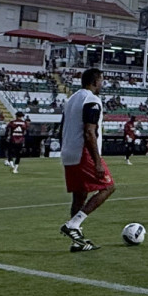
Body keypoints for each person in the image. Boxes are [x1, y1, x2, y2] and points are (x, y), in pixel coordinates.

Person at [59, 69, 115, 251]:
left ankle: (77, 242)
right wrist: (97, 161)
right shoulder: (91, 99)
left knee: (80, 194)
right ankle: (73, 224)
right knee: (108, 187)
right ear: (95, 81)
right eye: (101, 80)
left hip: (68, 152)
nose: (102, 84)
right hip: (84, 152)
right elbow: (89, 131)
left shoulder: (71, 100)